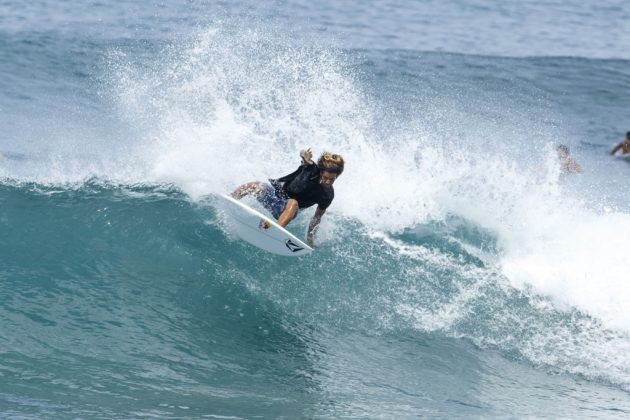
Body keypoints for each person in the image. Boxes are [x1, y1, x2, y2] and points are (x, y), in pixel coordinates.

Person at [231, 148, 345, 247]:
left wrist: (310, 240)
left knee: (292, 202)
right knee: (254, 186)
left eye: (332, 179)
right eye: (325, 177)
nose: (328, 181)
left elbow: (316, 218)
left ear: (337, 176)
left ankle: (273, 233)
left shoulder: (327, 195)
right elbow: (303, 154)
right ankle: (230, 199)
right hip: (275, 193)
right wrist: (305, 154)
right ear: (321, 172)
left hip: (287, 209)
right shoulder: (311, 169)